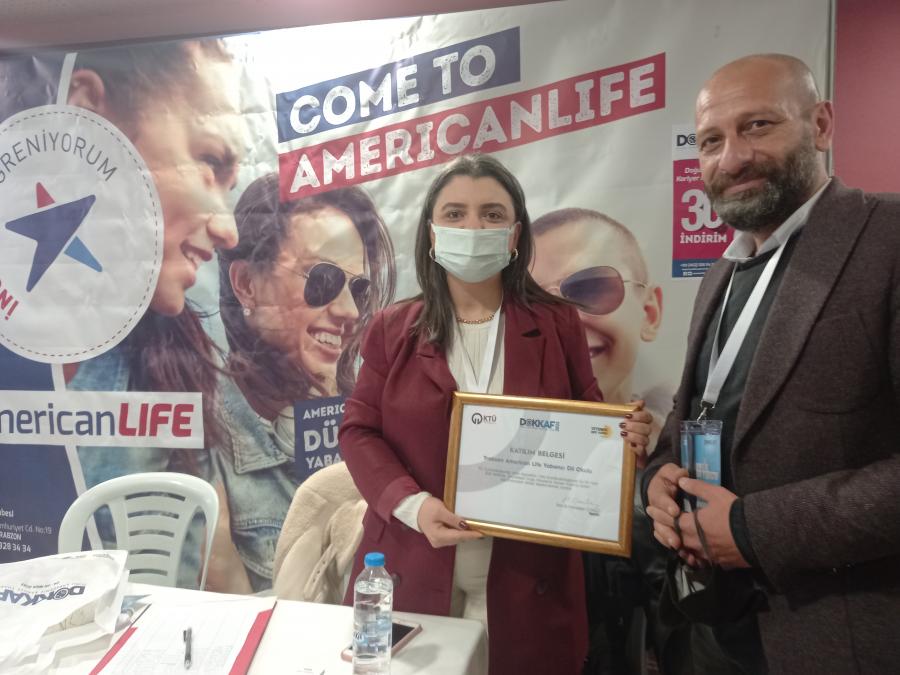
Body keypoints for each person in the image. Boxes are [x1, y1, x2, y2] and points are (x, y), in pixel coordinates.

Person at [339, 154, 653, 675]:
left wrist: (624, 438)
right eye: (455, 214)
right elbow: (358, 430)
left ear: (514, 236)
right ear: (432, 233)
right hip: (412, 563)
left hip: (529, 578)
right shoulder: (393, 328)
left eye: (491, 214)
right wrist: (412, 505)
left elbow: (591, 423)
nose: (473, 227)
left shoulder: (557, 323)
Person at [644, 53, 900, 674]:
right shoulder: (721, 274)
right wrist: (658, 476)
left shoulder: (889, 239)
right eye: (711, 141)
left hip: (833, 636)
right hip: (709, 623)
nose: (733, 158)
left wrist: (756, 529)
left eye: (758, 126)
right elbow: (696, 412)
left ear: (821, 125)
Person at [63, 38, 249, 588]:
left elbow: (216, 559)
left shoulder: (180, 348)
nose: (228, 230)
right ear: (87, 114)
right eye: (210, 162)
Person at [212, 174, 396, 592]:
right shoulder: (205, 435)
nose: (350, 311)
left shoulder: (370, 415)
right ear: (246, 285)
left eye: (358, 289)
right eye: (322, 279)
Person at [532, 209, 672, 673]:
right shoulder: (492, 449)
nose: (568, 321)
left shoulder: (683, 453)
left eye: (592, 289)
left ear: (649, 313)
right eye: (537, 302)